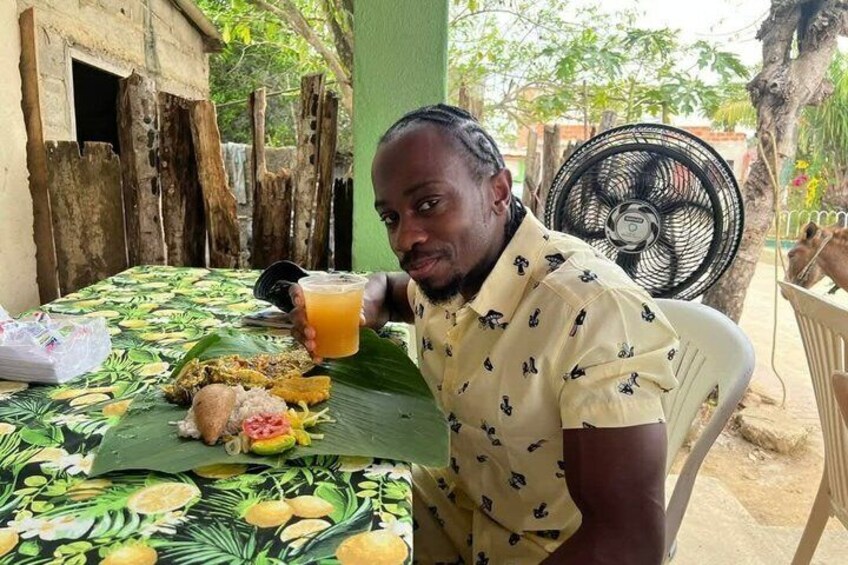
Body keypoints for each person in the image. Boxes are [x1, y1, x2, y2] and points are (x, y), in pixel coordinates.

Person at [289, 104, 679, 564]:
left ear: (498, 192)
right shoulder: (453, 273)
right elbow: (396, 291)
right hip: (449, 503)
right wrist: (366, 302)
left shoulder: (593, 314)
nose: (404, 239)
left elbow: (627, 544)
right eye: (391, 217)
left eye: (428, 204)